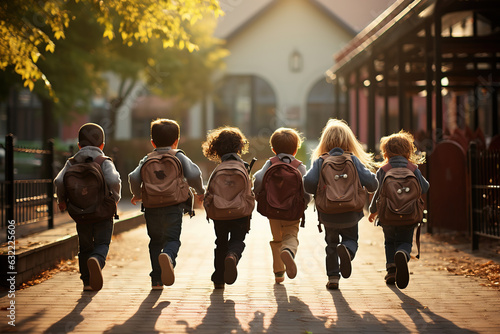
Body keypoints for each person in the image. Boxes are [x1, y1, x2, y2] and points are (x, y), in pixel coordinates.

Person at [128, 118, 204, 290]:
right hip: (173, 205)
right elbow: (194, 174)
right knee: (172, 239)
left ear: (152, 142)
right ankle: (168, 256)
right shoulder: (179, 156)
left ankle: (156, 280)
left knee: (155, 241)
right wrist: (200, 191)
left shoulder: (147, 158)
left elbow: (133, 177)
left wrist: (137, 194)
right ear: (176, 141)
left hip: (151, 206)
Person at [303, 119, 378, 290]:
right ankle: (347, 250)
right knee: (351, 239)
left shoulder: (321, 161)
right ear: (349, 141)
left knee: (330, 244)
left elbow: (308, 183)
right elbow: (372, 184)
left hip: (328, 212)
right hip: (351, 212)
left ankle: (333, 277)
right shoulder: (353, 160)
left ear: (324, 142)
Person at [54, 123, 122, 291]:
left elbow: (59, 181)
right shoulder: (103, 161)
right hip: (102, 212)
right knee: (102, 243)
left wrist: (62, 200)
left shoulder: (71, 162)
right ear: (102, 145)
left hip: (80, 212)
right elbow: (113, 180)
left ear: (79, 145)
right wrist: (115, 199)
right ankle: (97, 260)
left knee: (84, 247)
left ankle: (87, 282)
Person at [368, 130, 429, 289]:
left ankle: (391, 270)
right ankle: (403, 253)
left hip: (388, 215)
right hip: (409, 215)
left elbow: (378, 192)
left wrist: (373, 210)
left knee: (389, 241)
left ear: (386, 152)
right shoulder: (413, 168)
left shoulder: (384, 170)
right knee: (404, 240)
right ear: (408, 150)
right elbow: (424, 187)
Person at [253, 127, 311, 283]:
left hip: (273, 210)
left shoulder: (270, 163)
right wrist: (305, 202)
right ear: (295, 149)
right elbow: (307, 186)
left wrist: (256, 193)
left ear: (273, 148)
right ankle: (288, 250)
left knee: (276, 239)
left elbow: (258, 180)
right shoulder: (299, 166)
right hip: (293, 210)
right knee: (291, 235)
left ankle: (279, 273)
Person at [202, 126, 253, 289]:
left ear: (216, 149)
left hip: (219, 212)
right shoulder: (244, 167)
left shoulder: (218, 169)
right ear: (239, 147)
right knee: (238, 240)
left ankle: (218, 278)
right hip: (240, 212)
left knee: (221, 243)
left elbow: (209, 192)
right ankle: (233, 255)